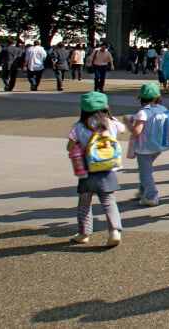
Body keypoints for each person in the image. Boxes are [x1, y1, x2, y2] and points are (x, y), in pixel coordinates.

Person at [66, 91, 124, 246]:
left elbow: (69, 146)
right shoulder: (111, 123)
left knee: (84, 203)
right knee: (109, 201)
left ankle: (84, 233)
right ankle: (114, 231)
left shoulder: (78, 126)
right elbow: (122, 129)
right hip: (107, 169)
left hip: (86, 171)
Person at [123, 83, 166, 207]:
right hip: (157, 146)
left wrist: (127, 123)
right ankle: (143, 191)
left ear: (140, 97)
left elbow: (137, 131)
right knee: (145, 169)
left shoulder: (143, 113)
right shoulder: (162, 110)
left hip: (144, 148)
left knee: (145, 172)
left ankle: (151, 196)